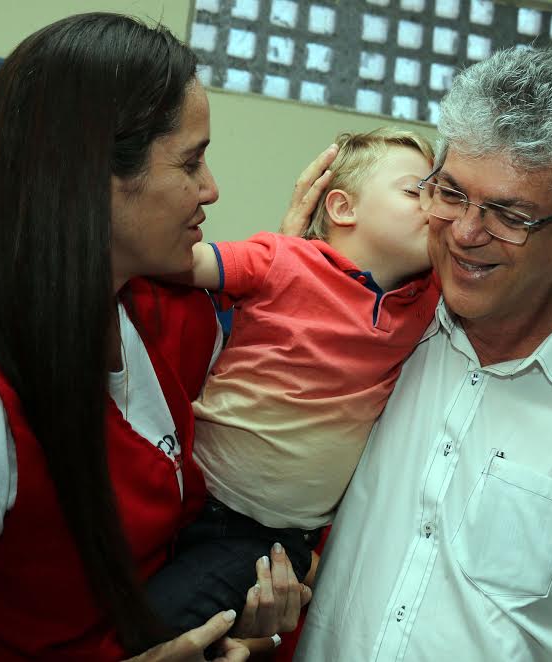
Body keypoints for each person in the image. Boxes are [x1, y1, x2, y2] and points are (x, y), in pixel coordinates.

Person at [0, 13, 307, 661]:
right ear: (91, 178)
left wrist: (233, 634)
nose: (211, 189)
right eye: (191, 161)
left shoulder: (168, 318)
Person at [295, 47, 552, 661]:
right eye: (452, 193)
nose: (465, 232)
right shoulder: (378, 325)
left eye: (510, 214)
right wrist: (297, 274)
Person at [146, 128, 442, 633]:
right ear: (343, 207)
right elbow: (180, 262)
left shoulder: (424, 303)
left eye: (439, 196)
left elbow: (509, 291)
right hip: (185, 498)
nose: (435, 208)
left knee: (157, 624)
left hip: (272, 538)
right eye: (416, 191)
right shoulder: (282, 258)